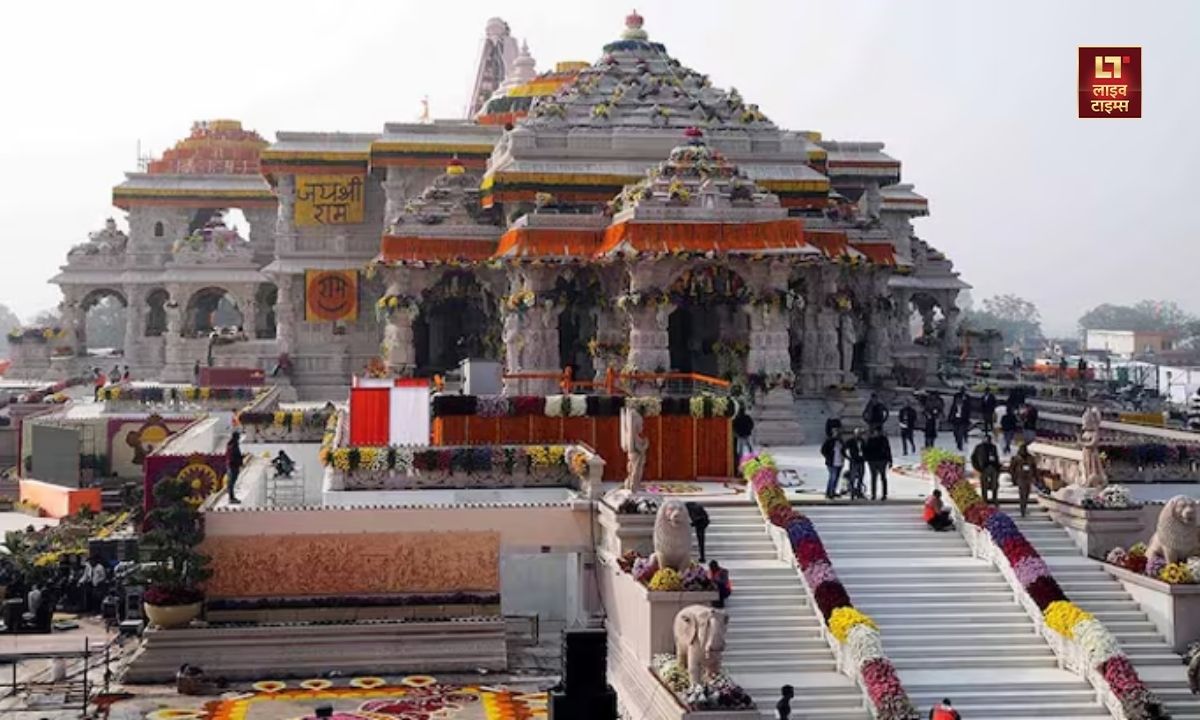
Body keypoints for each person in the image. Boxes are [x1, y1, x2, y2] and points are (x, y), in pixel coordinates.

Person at [971, 434, 1002, 505]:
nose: (987, 441)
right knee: (984, 485)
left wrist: (997, 466)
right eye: (986, 439)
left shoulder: (993, 447)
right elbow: (973, 458)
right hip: (983, 468)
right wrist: (977, 467)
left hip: (993, 467)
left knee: (994, 484)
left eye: (988, 439)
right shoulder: (979, 447)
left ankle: (994, 498)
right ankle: (985, 499)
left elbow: (996, 457)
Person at [864, 427, 893, 501]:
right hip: (873, 461)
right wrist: (867, 459)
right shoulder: (870, 439)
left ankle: (884, 494)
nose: (878, 433)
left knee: (883, 477)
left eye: (879, 432)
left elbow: (888, 449)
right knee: (874, 477)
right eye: (876, 432)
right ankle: (873, 494)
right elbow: (866, 450)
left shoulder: (884, 439)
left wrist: (890, 460)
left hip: (882, 460)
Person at [1010, 443, 1037, 517]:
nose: (1023, 451)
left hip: (1028, 478)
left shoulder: (1030, 458)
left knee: (1027, 494)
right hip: (1020, 477)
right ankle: (1022, 509)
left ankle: (1024, 506)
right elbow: (1012, 469)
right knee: (1022, 494)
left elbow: (1034, 468)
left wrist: (1035, 477)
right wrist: (1014, 478)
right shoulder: (1016, 458)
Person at [820, 430, 845, 500]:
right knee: (832, 477)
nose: (838, 435)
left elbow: (843, 450)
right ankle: (829, 493)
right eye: (836, 433)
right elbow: (823, 450)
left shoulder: (840, 441)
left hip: (839, 462)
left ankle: (833, 491)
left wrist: (844, 458)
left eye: (839, 434)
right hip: (831, 463)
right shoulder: (829, 441)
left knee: (836, 478)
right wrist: (828, 457)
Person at [845, 429, 866, 499]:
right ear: (854, 434)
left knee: (861, 477)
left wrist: (865, 457)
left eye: (860, 433)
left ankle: (859, 492)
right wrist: (848, 457)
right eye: (858, 433)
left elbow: (865, 449)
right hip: (854, 461)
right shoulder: (850, 441)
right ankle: (852, 493)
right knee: (852, 477)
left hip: (861, 461)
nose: (859, 435)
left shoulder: (862, 441)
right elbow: (843, 449)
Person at [226, 431, 243, 504]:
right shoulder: (234, 445)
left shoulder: (230, 444)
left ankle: (231, 497)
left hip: (231, 465)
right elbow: (235, 456)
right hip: (233, 466)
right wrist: (239, 462)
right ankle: (231, 498)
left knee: (231, 482)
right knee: (231, 482)